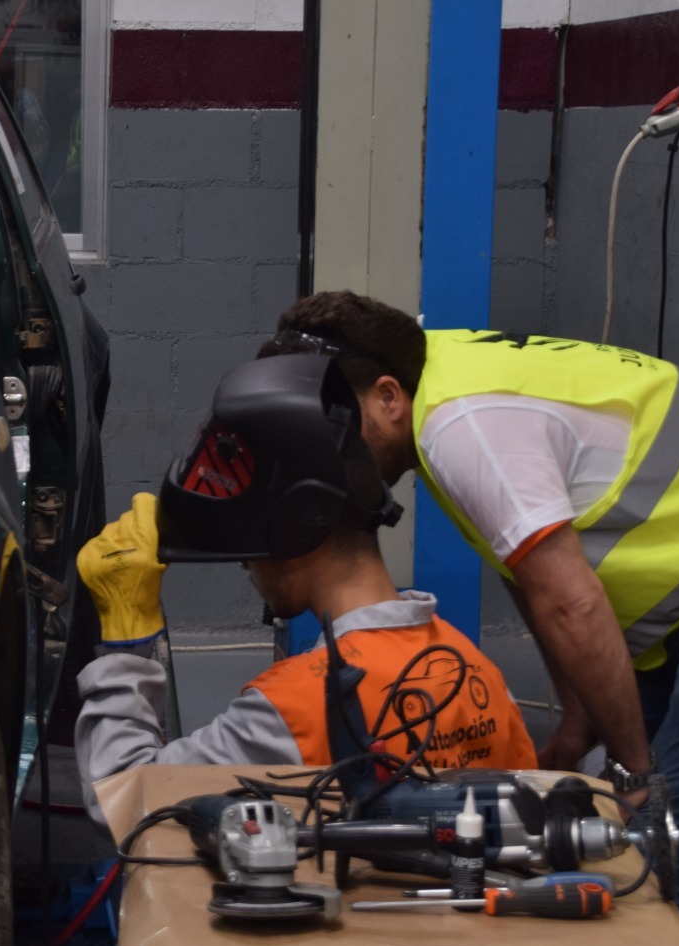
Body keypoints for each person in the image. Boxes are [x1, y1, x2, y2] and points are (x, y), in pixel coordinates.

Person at [273, 290, 679, 946]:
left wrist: (633, 768)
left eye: (339, 427)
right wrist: (580, 723)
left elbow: (572, 605)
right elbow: (530, 573)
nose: (334, 454)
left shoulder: (463, 425)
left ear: (386, 396)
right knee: (627, 815)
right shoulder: (433, 369)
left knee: (673, 833)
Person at [72, 354, 536, 828]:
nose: (245, 563)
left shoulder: (295, 707)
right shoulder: (481, 675)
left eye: (248, 543)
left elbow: (121, 799)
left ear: (294, 531)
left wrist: (126, 635)